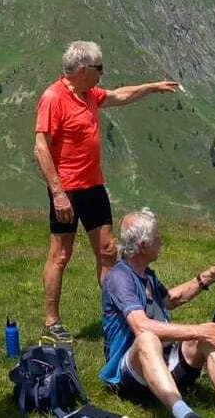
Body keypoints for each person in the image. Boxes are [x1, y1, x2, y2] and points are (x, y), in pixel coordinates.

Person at [35, 39, 183, 345]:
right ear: (83, 69)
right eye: (99, 68)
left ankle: (117, 315)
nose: (103, 73)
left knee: (107, 251)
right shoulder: (53, 97)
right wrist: (58, 193)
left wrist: (152, 87)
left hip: (94, 186)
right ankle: (51, 322)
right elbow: (40, 148)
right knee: (61, 254)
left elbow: (118, 95)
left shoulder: (89, 94)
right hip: (67, 190)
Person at [99, 207, 215, 418]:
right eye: (157, 237)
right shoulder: (120, 278)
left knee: (210, 334)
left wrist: (208, 276)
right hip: (129, 377)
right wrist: (198, 332)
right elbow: (141, 326)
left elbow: (170, 300)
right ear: (143, 246)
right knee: (148, 339)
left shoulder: (147, 275)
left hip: (164, 363)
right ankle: (183, 413)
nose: (161, 241)